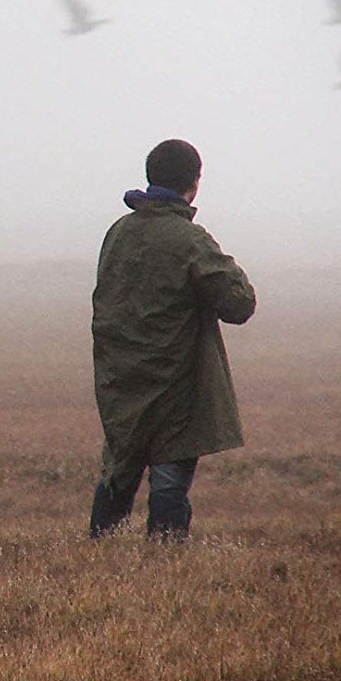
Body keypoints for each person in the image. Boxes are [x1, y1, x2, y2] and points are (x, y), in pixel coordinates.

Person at [88, 139, 256, 541]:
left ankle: (95, 558)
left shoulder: (118, 233)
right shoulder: (189, 239)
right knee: (168, 485)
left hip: (121, 384)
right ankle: (163, 567)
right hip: (176, 391)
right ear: (194, 184)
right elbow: (240, 303)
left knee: (117, 475)